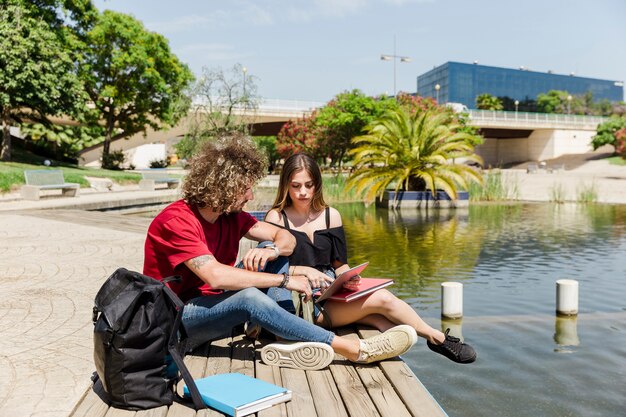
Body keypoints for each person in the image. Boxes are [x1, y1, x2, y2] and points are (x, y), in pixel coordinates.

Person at [143, 133, 418, 371]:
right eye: (246, 188)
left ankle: (285, 338)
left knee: (266, 251)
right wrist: (285, 281)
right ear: (225, 187)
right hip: (177, 320)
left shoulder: (231, 216)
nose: (250, 196)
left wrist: (273, 250)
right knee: (250, 297)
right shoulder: (176, 220)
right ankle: (354, 350)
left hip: (213, 307)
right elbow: (215, 277)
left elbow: (284, 237)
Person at [265, 153, 476, 364]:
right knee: (382, 301)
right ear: (286, 185)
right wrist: (302, 270)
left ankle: (402, 342)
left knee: (381, 319)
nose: (303, 192)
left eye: (309, 185)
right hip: (299, 303)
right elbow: (269, 270)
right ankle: (436, 337)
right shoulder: (276, 217)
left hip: (330, 294)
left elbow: (339, 264)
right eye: (296, 186)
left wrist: (348, 277)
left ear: (317, 184)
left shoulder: (331, 215)